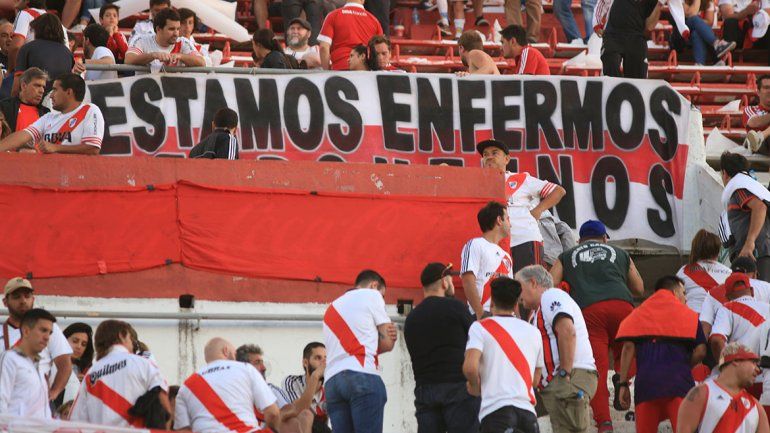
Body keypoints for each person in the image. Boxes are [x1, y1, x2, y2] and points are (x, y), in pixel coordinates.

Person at [551, 219, 644, 433]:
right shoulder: (619, 253)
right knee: (627, 351)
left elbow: (550, 285)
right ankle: (623, 379)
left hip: (589, 313)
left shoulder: (567, 256)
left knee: (596, 370)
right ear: (604, 238)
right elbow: (639, 288)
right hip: (622, 307)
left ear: (579, 239)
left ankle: (604, 423)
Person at [614, 276, 707, 433]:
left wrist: (623, 384)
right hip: (679, 384)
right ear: (674, 291)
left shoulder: (639, 313)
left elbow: (628, 347)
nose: (685, 299)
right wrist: (685, 365)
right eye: (684, 293)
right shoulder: (689, 315)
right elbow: (701, 350)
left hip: (646, 386)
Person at [517, 265, 598, 433]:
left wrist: (564, 373)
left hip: (569, 376)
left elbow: (567, 330)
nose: (518, 296)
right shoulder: (539, 308)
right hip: (560, 379)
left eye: (520, 288)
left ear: (533, 282)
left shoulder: (550, 296)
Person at [405, 262, 479, 433]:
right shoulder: (457, 308)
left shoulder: (412, 318)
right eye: (450, 280)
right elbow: (476, 341)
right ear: (444, 283)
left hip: (425, 390)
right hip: (458, 387)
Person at [463, 277, 543, 433]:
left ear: (492, 301)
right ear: (515, 304)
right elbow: (535, 379)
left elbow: (470, 368)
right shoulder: (534, 332)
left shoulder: (480, 328)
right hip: (528, 414)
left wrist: (474, 386)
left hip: (496, 413)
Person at [322, 269, 397, 433]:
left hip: (332, 382)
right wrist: (391, 336)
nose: (382, 300)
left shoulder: (331, 307)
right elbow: (388, 342)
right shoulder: (372, 295)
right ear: (374, 285)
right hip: (362, 374)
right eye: (383, 296)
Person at [477, 139, 566, 272]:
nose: (489, 157)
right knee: (503, 287)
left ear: (506, 159)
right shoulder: (476, 183)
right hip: (494, 245)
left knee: (529, 285)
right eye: (485, 154)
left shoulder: (521, 179)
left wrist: (538, 211)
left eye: (494, 153)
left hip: (524, 240)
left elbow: (558, 191)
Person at [69, 320, 171, 427]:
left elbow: (76, 420)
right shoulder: (143, 363)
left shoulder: (90, 374)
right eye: (130, 338)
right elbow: (164, 404)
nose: (132, 343)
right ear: (122, 335)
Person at [174, 337, 280, 433]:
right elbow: (272, 413)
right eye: (234, 354)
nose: (236, 358)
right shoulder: (246, 369)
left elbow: (182, 430)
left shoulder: (186, 386)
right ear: (226, 350)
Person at [0, 277, 72, 405]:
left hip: (39, 401)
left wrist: (54, 392)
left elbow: (65, 364)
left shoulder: (49, 327)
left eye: (27, 296)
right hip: (7, 402)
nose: (23, 301)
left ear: (33, 299)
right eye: (17, 297)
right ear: (5, 302)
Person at [0, 73, 104, 154]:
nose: (50, 95)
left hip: (77, 175)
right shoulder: (48, 117)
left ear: (69, 92)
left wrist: (56, 147)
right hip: (50, 174)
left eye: (55, 90)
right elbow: (23, 135)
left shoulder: (90, 110)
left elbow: (93, 148)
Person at [676, 343, 769, 433]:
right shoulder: (701, 394)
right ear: (736, 360)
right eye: (753, 362)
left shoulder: (756, 407)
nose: (758, 369)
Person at [709, 272, 770, 399]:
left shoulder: (727, 308)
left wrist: (724, 368)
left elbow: (716, 340)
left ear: (727, 295)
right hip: (767, 380)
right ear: (752, 291)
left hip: (742, 380)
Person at [235, 343, 314, 433]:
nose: (264, 368)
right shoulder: (232, 392)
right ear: (244, 367)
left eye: (262, 363)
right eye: (257, 363)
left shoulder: (271, 390)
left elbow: (287, 409)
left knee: (304, 416)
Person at [720, 151, 770, 281]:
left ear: (724, 173)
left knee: (753, 296)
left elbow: (760, 207)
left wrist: (749, 242)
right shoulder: (751, 186)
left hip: (755, 255)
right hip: (756, 254)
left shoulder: (739, 187)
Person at [0, 308, 58, 419]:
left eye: (50, 333)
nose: (47, 337)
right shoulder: (10, 359)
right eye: (43, 330)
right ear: (26, 331)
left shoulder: (39, 367)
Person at [460, 201, 514, 320]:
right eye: (508, 219)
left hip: (505, 318)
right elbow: (468, 280)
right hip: (482, 315)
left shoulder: (506, 256)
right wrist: (480, 313)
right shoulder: (475, 244)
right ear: (499, 220)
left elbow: (511, 290)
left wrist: (516, 317)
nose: (511, 225)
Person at [700, 259, 770, 338]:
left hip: (729, 347)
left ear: (731, 274)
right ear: (755, 274)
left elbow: (705, 326)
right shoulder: (767, 287)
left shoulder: (714, 292)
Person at [596, 0, 662, 78]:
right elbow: (603, 2)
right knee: (610, 70)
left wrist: (659, 4)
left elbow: (650, 26)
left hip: (637, 38)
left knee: (638, 81)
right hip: (613, 35)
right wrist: (596, 24)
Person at [12, 14, 74, 96]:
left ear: (37, 30)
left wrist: (11, 107)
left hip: (34, 103)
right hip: (60, 104)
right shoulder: (68, 53)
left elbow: (16, 88)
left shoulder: (27, 48)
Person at [125, 8, 205, 72]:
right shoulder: (141, 39)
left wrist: (180, 56)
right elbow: (129, 60)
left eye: (178, 29)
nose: (176, 33)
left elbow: (202, 62)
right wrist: (153, 55)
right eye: (171, 29)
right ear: (158, 29)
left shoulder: (183, 42)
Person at [676, 229, 732, 313]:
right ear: (718, 251)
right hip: (719, 318)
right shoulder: (729, 273)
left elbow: (675, 297)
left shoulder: (683, 271)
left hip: (692, 318)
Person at [317, 0, 383, 70]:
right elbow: (381, 49)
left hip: (339, 69)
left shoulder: (333, 15)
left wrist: (326, 71)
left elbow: (324, 48)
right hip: (365, 71)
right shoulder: (374, 20)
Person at [282, 342, 330, 433]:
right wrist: (315, 377)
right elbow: (299, 411)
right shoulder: (291, 381)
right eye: (318, 358)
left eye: (326, 359)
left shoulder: (329, 387)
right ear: (305, 362)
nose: (324, 364)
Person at [670, 0, 734, 65]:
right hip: (679, 35)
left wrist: (698, 24)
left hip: (693, 35)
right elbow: (690, 14)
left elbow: (709, 22)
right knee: (694, 19)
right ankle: (717, 44)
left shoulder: (708, 2)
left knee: (696, 33)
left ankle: (699, 64)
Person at [0, 67, 48, 133]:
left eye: (43, 87)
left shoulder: (46, 113)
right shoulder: (4, 107)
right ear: (23, 86)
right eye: (37, 85)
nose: (42, 91)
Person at [8, 0, 48, 72]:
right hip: (55, 72)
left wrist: (11, 71)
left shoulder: (24, 13)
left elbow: (16, 47)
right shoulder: (55, 20)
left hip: (32, 72)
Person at [744, 75, 770, 154]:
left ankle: (760, 137)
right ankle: (759, 139)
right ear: (758, 92)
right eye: (766, 88)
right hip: (762, 146)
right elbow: (754, 123)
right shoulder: (751, 109)